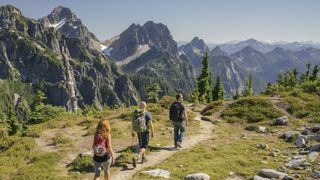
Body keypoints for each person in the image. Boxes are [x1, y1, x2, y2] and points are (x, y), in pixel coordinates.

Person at [131, 101, 154, 168]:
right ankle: (137, 157)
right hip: (145, 132)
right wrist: (152, 132)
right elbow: (150, 123)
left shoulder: (136, 113)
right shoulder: (147, 113)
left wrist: (133, 131)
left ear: (139, 106)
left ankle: (143, 158)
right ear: (145, 106)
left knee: (141, 145)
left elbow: (132, 123)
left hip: (139, 131)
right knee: (144, 146)